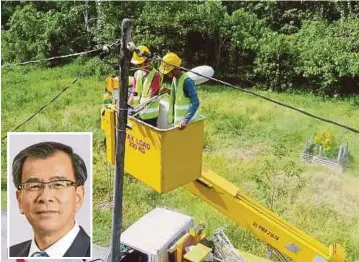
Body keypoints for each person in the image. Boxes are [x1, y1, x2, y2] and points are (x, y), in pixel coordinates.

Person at [9, 142, 90, 258]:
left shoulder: (106, 257)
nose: (46, 197)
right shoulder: (9, 254)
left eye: (58, 184)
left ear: (78, 196)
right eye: (34, 186)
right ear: (20, 200)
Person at [159, 52, 200, 130]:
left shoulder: (187, 82)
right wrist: (168, 91)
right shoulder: (175, 79)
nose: (167, 74)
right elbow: (181, 95)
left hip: (188, 124)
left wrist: (185, 120)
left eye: (168, 71)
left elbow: (196, 102)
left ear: (175, 69)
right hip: (178, 123)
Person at [128, 45, 162, 127]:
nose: (138, 67)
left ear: (148, 61)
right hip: (138, 112)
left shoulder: (156, 75)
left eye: (140, 64)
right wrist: (128, 106)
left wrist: (137, 109)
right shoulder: (137, 74)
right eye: (137, 65)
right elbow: (134, 92)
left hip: (150, 116)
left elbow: (150, 96)